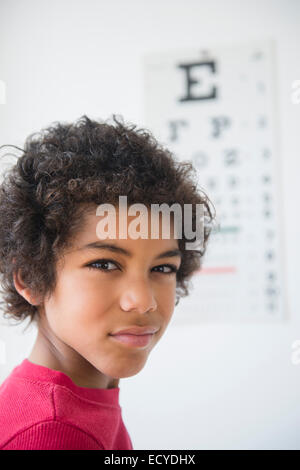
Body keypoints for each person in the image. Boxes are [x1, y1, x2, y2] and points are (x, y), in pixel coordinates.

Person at [0, 115, 214, 450]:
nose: (143, 302)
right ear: (30, 277)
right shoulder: (50, 434)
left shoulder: (78, 400)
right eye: (105, 264)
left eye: (162, 268)